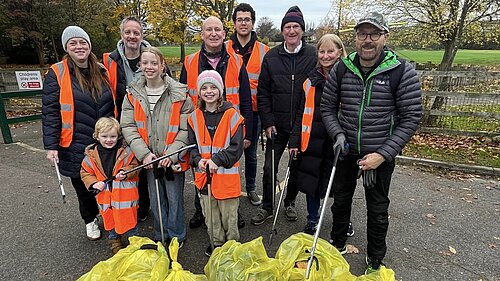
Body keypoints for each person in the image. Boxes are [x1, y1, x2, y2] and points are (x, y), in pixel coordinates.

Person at [321, 12, 423, 274]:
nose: (368, 40)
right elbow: (328, 107)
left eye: (374, 34)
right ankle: (338, 244)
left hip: (378, 153)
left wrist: (383, 154)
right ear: (355, 39)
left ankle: (375, 259)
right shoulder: (343, 68)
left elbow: (411, 117)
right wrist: (337, 134)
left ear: (385, 37)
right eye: (362, 34)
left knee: (377, 209)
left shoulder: (401, 71)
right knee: (340, 200)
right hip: (346, 149)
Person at [43, 25, 116, 241]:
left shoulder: (102, 70)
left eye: (82, 42)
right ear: (67, 48)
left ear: (89, 45)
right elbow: (50, 111)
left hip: (104, 139)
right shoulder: (57, 73)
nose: (79, 46)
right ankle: (90, 219)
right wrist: (51, 145)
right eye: (73, 43)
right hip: (75, 140)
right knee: (83, 184)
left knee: (105, 180)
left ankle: (109, 215)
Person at [180, 16, 252, 229]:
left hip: (229, 128)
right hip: (201, 125)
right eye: (208, 30)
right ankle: (201, 209)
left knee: (228, 172)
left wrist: (247, 133)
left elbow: (246, 98)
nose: (213, 33)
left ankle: (233, 211)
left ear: (223, 34)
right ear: (202, 34)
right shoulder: (190, 62)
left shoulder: (237, 61)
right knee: (201, 169)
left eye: (217, 30)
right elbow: (184, 97)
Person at [121, 47, 194, 245]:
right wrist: (144, 154)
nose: (149, 67)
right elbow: (127, 126)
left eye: (154, 63)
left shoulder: (180, 93)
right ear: (140, 66)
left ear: (162, 66)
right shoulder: (132, 94)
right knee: (156, 200)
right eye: (145, 63)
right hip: (149, 159)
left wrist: (171, 155)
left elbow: (186, 129)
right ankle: (161, 235)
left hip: (171, 158)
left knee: (174, 199)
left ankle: (177, 235)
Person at [251, 6, 316, 226]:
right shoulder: (271, 57)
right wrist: (267, 122)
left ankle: (289, 202)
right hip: (276, 126)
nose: (291, 30)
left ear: (302, 30)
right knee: (269, 167)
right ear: (282, 30)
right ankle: (268, 206)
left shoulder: (313, 55)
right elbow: (263, 92)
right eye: (287, 26)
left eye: (295, 26)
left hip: (301, 125)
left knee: (296, 168)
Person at [289, 34, 354, 237]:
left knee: (340, 186)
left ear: (339, 52)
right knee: (312, 184)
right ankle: (312, 219)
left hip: (338, 140)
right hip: (312, 141)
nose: (326, 56)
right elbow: (301, 112)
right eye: (322, 51)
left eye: (330, 51)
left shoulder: (350, 77)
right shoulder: (310, 80)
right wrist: (294, 141)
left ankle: (342, 221)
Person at [103, 16, 156, 223]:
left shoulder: (152, 57)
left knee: (146, 161)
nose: (132, 36)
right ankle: (132, 206)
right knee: (127, 164)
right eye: (128, 32)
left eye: (136, 32)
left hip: (150, 121)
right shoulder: (110, 61)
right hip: (121, 120)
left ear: (142, 35)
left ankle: (145, 205)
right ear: (122, 34)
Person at [187, 70, 244, 257]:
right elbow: (191, 146)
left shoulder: (232, 115)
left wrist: (216, 160)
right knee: (211, 218)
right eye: (204, 87)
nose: (209, 91)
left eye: (213, 87)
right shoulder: (193, 117)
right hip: (204, 179)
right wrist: (198, 160)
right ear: (199, 92)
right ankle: (217, 245)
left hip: (226, 180)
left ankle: (232, 248)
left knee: (229, 217)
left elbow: (236, 148)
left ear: (220, 90)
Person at [226, 3, 269, 206]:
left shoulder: (264, 51)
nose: (243, 23)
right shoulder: (224, 48)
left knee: (251, 154)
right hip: (228, 112)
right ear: (234, 23)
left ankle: (250, 188)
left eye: (247, 19)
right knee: (226, 154)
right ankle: (227, 190)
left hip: (254, 112)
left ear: (253, 23)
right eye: (240, 19)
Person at [81, 117, 140, 254]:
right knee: (110, 221)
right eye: (104, 136)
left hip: (126, 197)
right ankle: (115, 241)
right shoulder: (91, 156)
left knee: (130, 221)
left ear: (118, 136)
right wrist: (94, 183)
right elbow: (85, 172)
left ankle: (134, 241)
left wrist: (125, 172)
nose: (109, 140)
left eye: (113, 136)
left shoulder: (126, 152)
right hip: (106, 198)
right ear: (97, 136)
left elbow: (136, 166)